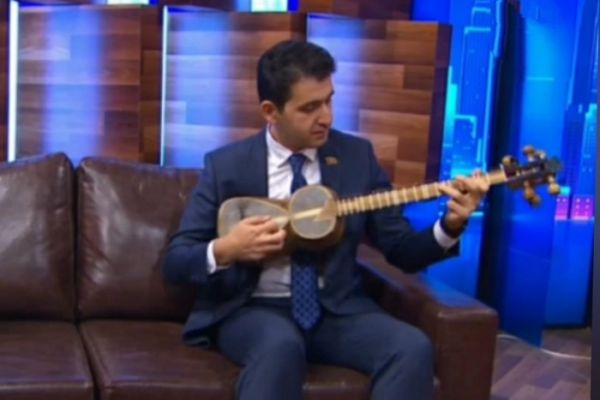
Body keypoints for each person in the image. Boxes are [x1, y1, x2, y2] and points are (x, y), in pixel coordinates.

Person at [163, 40, 489, 400]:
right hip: (252, 309)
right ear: (271, 111)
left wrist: (450, 226)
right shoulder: (226, 166)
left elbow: (402, 251)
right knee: (281, 346)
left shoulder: (357, 157)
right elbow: (177, 261)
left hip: (337, 311)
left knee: (411, 348)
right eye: (309, 108)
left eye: (329, 101)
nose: (327, 118)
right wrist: (228, 249)